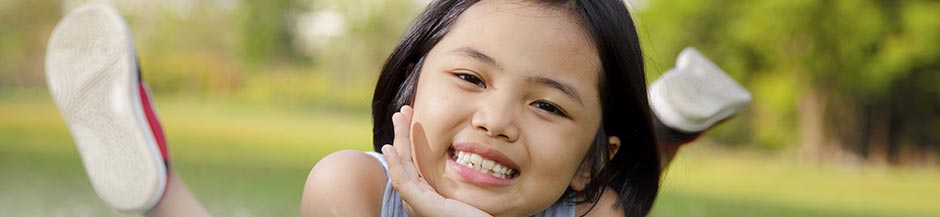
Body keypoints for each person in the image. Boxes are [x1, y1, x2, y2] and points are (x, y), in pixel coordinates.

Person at [45, 1, 749, 217]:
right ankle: (158, 189)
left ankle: (664, 123)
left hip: (595, 179)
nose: (497, 118)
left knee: (621, 185)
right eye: (470, 77)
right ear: (411, 91)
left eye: (547, 104)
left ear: (586, 162)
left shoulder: (589, 206)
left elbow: (604, 177)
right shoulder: (349, 189)